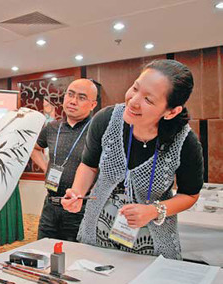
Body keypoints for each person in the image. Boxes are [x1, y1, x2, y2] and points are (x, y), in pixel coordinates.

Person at [62, 60, 203, 259]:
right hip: (98, 229)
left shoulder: (185, 142)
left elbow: (190, 195)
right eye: (135, 88)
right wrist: (77, 192)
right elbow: (89, 165)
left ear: (171, 111)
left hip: (152, 238)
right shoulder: (105, 119)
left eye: (149, 99)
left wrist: (154, 210)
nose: (133, 101)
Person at [31, 79, 98, 241]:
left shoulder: (97, 129)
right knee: (44, 251)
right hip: (51, 204)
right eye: (70, 94)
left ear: (93, 105)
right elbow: (35, 149)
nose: (73, 101)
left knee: (74, 257)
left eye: (82, 97)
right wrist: (46, 167)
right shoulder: (53, 128)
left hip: (80, 208)